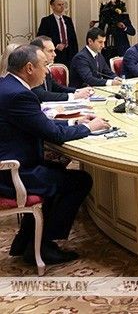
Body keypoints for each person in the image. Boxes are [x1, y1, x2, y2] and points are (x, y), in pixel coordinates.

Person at [0, 45, 109, 265]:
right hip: (13, 175)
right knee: (79, 181)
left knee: (57, 172)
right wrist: (89, 128)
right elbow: (53, 134)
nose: (48, 70)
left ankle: (25, 240)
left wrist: (73, 122)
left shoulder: (8, 86)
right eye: (44, 65)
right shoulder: (20, 95)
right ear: (29, 68)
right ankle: (44, 245)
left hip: (15, 164)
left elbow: (38, 123)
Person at [30, 36, 93, 102]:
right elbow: (43, 95)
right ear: (39, 53)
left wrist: (77, 91)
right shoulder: (32, 70)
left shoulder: (46, 68)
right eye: (50, 51)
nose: (54, 54)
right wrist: (74, 96)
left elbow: (56, 87)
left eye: (54, 51)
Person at [36, 0, 78, 66]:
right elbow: (41, 37)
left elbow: (73, 37)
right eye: (59, 5)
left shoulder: (68, 20)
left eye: (62, 4)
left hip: (69, 52)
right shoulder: (46, 20)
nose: (62, 7)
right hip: (55, 52)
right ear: (52, 7)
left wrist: (76, 53)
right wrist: (55, 45)